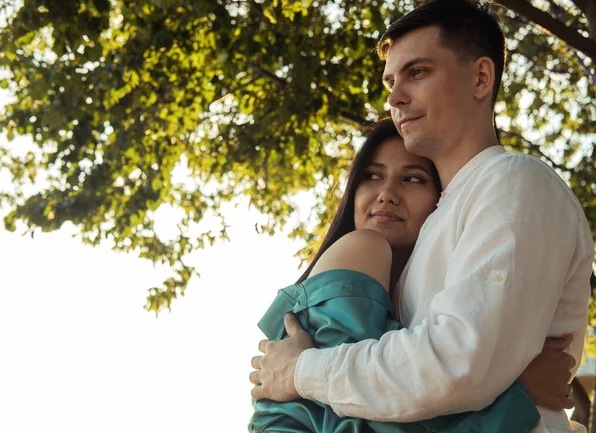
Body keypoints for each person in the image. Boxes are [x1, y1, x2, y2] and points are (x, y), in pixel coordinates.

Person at [249, 1, 594, 432]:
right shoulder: (428, 231)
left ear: (481, 78)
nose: (394, 97)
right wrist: (517, 388)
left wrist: (303, 372)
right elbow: (398, 401)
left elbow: (456, 362)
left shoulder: (513, 182)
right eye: (390, 81)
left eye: (417, 72)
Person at [249, 120, 574, 432]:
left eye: (413, 179)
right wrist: (516, 391)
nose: (386, 193)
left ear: (441, 201)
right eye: (373, 176)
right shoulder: (364, 247)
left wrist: (497, 373)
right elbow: (368, 419)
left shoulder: (418, 297)